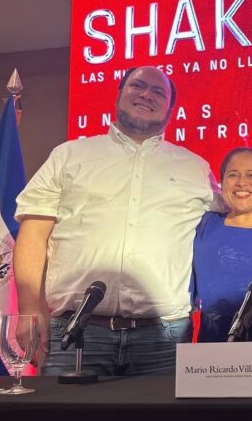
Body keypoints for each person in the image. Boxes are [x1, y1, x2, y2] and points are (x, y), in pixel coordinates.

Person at [14, 66, 217, 376]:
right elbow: (33, 233)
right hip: (77, 333)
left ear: (171, 110)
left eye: (158, 92)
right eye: (138, 86)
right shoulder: (68, 156)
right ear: (119, 94)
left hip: (164, 339)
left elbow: (230, 223)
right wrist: (29, 308)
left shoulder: (196, 168)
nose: (146, 95)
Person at [192, 148, 252, 344]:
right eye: (233, 175)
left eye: (251, 175)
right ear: (221, 184)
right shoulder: (203, 224)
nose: (241, 182)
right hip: (212, 345)